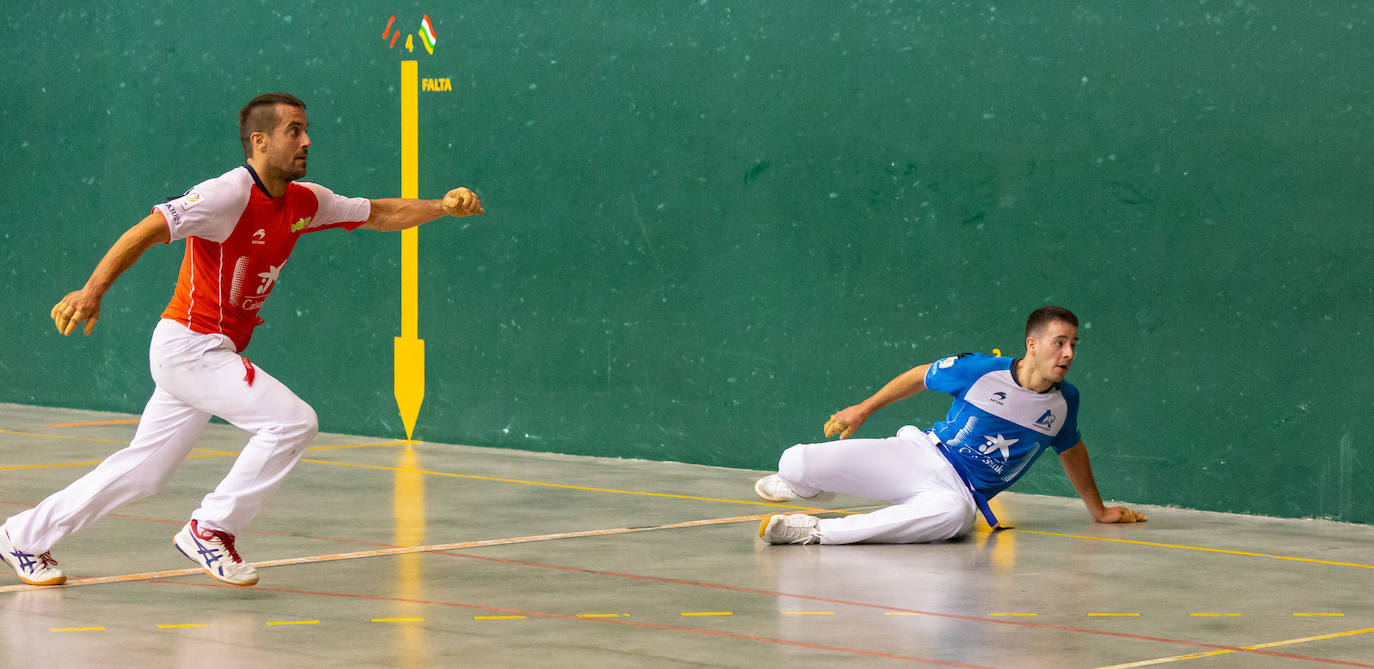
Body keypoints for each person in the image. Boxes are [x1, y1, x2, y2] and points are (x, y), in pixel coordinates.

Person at [0, 93, 484, 587]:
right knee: (293, 422)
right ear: (259, 140)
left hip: (208, 352)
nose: (307, 140)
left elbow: (379, 212)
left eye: (306, 130)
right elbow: (147, 230)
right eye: (293, 130)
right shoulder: (223, 195)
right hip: (191, 346)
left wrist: (442, 207)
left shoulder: (305, 201)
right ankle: (210, 529)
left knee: (143, 472)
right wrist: (92, 290)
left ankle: (22, 536)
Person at [754, 305, 1145, 545]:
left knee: (955, 516)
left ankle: (814, 532)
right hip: (920, 454)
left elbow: (1071, 449)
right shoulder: (980, 370)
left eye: (1074, 344)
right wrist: (864, 408)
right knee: (793, 462)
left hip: (959, 491)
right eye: (1060, 342)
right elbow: (919, 376)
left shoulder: (1065, 402)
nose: (1069, 353)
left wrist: (1098, 510)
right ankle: (807, 487)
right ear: (1032, 345)